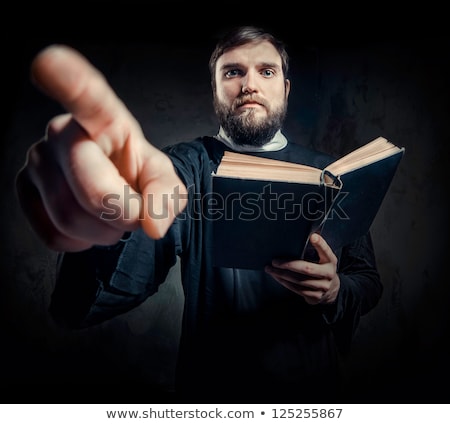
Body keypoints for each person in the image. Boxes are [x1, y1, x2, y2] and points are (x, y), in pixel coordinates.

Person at [15, 26, 382, 403]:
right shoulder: (183, 169)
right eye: (232, 71)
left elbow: (366, 280)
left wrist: (335, 292)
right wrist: (105, 219)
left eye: (266, 71)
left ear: (286, 90)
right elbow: (91, 298)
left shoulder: (332, 175)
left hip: (313, 394)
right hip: (211, 392)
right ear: (216, 90)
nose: (249, 85)